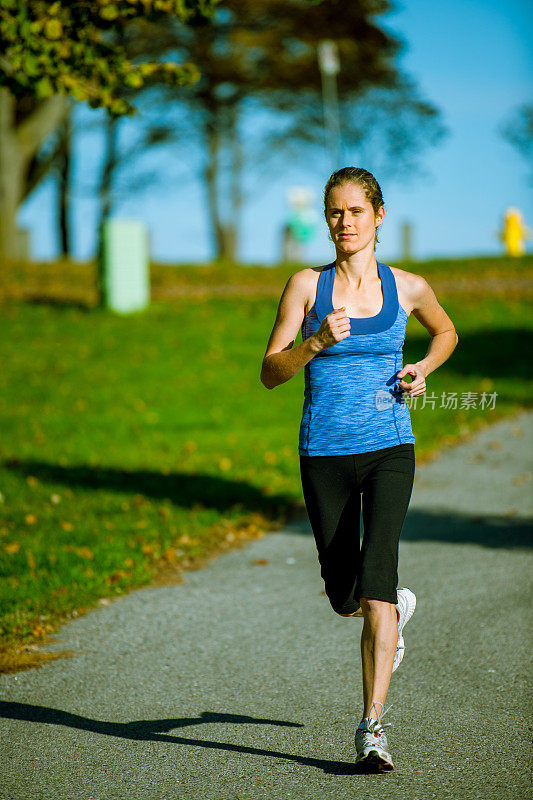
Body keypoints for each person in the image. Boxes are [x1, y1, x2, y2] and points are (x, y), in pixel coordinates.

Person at [260, 166, 458, 772]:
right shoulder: (305, 286)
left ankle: (372, 727)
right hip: (323, 453)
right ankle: (392, 603)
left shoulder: (408, 287)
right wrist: (315, 342)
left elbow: (446, 332)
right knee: (346, 596)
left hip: (389, 449)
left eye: (355, 211)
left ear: (377, 215)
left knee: (374, 586)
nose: (344, 223)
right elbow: (270, 371)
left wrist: (423, 368)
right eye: (334, 212)